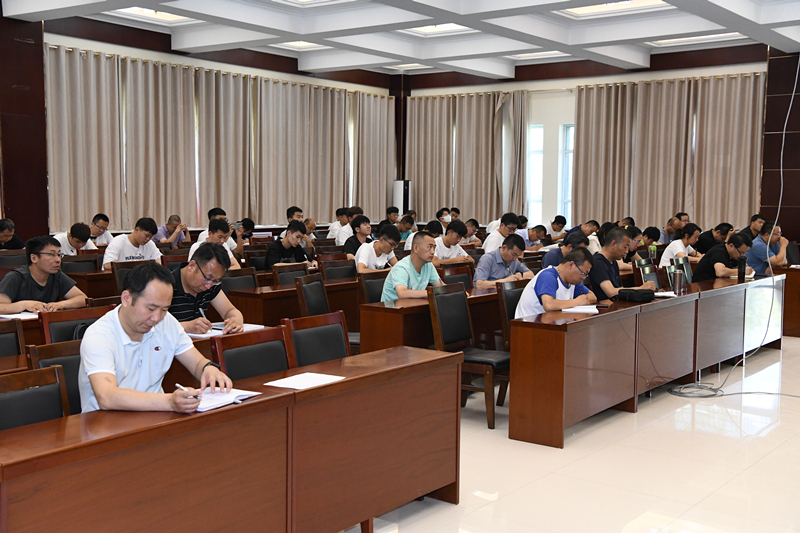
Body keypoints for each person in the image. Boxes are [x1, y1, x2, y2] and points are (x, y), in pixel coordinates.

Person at [78, 262, 232, 414]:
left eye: (164, 310)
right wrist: (169, 402)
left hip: (155, 416)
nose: (156, 318)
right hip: (107, 422)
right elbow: (106, 397)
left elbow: (197, 362)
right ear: (126, 298)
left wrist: (208, 369)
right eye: (151, 308)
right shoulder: (99, 336)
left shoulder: (167, 322)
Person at [169, 242, 245, 335]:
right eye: (208, 278)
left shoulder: (212, 284)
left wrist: (236, 320)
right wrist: (186, 327)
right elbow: (154, 326)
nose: (209, 286)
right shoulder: (166, 284)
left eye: (215, 281)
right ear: (192, 266)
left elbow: (229, 311)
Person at [0, 235, 88, 313]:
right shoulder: (16, 277)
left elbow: (83, 298)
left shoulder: (56, 275)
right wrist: (24, 305)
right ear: (34, 258)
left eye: (59, 255)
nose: (58, 260)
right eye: (52, 254)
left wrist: (60, 304)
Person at [515, 248, 597, 318]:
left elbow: (592, 297)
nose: (583, 278)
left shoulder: (572, 281)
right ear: (571, 265)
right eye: (583, 273)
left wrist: (583, 299)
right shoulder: (548, 276)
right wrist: (577, 302)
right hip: (528, 325)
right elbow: (549, 305)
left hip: (551, 323)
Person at [589, 227, 656, 301]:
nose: (627, 251)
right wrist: (641, 288)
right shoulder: (598, 262)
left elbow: (620, 289)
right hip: (606, 305)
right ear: (613, 244)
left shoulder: (613, 261)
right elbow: (611, 292)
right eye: (625, 247)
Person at [380, 231, 443, 302]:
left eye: (434, 248)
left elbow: (440, 286)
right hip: (391, 307)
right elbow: (402, 293)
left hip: (413, 304)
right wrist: (431, 292)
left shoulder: (429, 265)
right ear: (416, 248)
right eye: (429, 247)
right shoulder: (401, 267)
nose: (433, 252)